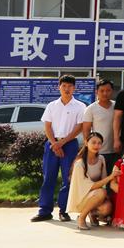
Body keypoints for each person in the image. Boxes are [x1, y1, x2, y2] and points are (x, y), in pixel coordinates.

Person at [31, 75, 85, 223]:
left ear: (74, 88)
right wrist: (55, 143)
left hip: (70, 144)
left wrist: (62, 143)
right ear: (59, 87)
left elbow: (79, 127)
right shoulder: (52, 105)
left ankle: (64, 211)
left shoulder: (80, 106)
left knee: (68, 178)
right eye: (64, 86)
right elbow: (47, 126)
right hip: (52, 144)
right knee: (48, 177)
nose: (67, 89)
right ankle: (44, 211)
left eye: (70, 86)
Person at [66, 132, 118, 230]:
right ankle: (81, 218)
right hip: (81, 199)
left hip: (95, 195)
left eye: (99, 143)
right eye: (93, 142)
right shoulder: (79, 164)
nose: (96, 145)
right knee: (101, 192)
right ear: (86, 143)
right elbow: (92, 186)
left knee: (107, 207)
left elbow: (103, 180)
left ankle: (92, 214)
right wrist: (111, 177)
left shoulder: (101, 159)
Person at [82, 79, 117, 175]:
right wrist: (88, 148)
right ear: (96, 92)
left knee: (113, 177)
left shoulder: (117, 106)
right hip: (97, 150)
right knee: (97, 177)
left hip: (115, 150)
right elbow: (86, 130)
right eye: (102, 91)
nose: (105, 93)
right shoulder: (91, 109)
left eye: (108, 90)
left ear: (112, 91)